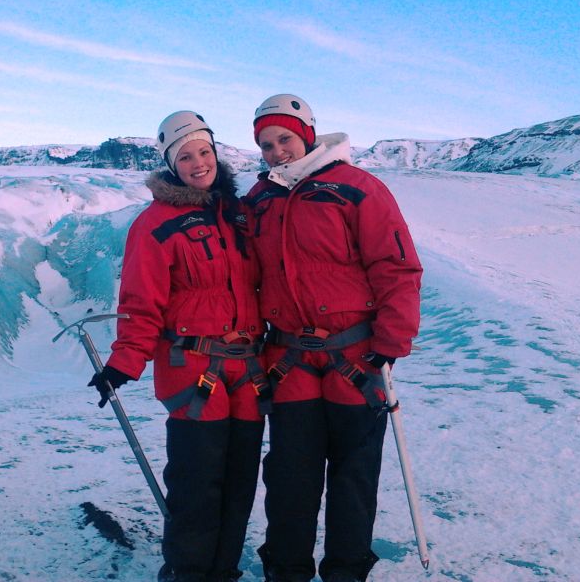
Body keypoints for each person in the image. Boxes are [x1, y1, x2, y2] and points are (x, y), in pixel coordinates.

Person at [243, 94, 423, 582]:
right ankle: (286, 571)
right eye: (265, 145)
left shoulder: (358, 188)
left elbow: (396, 266)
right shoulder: (259, 199)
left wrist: (392, 340)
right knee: (290, 477)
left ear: (307, 134)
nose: (276, 151)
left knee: (353, 477)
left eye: (284, 139)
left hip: (357, 357)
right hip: (289, 358)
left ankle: (346, 572)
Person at [89, 111, 269, 582]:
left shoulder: (237, 215)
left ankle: (223, 571)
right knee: (196, 484)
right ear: (171, 164)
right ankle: (188, 572)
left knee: (239, 484)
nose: (198, 163)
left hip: (249, 369)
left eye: (204, 152)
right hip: (193, 368)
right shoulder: (154, 224)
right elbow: (140, 302)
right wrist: (123, 363)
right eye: (185, 157)